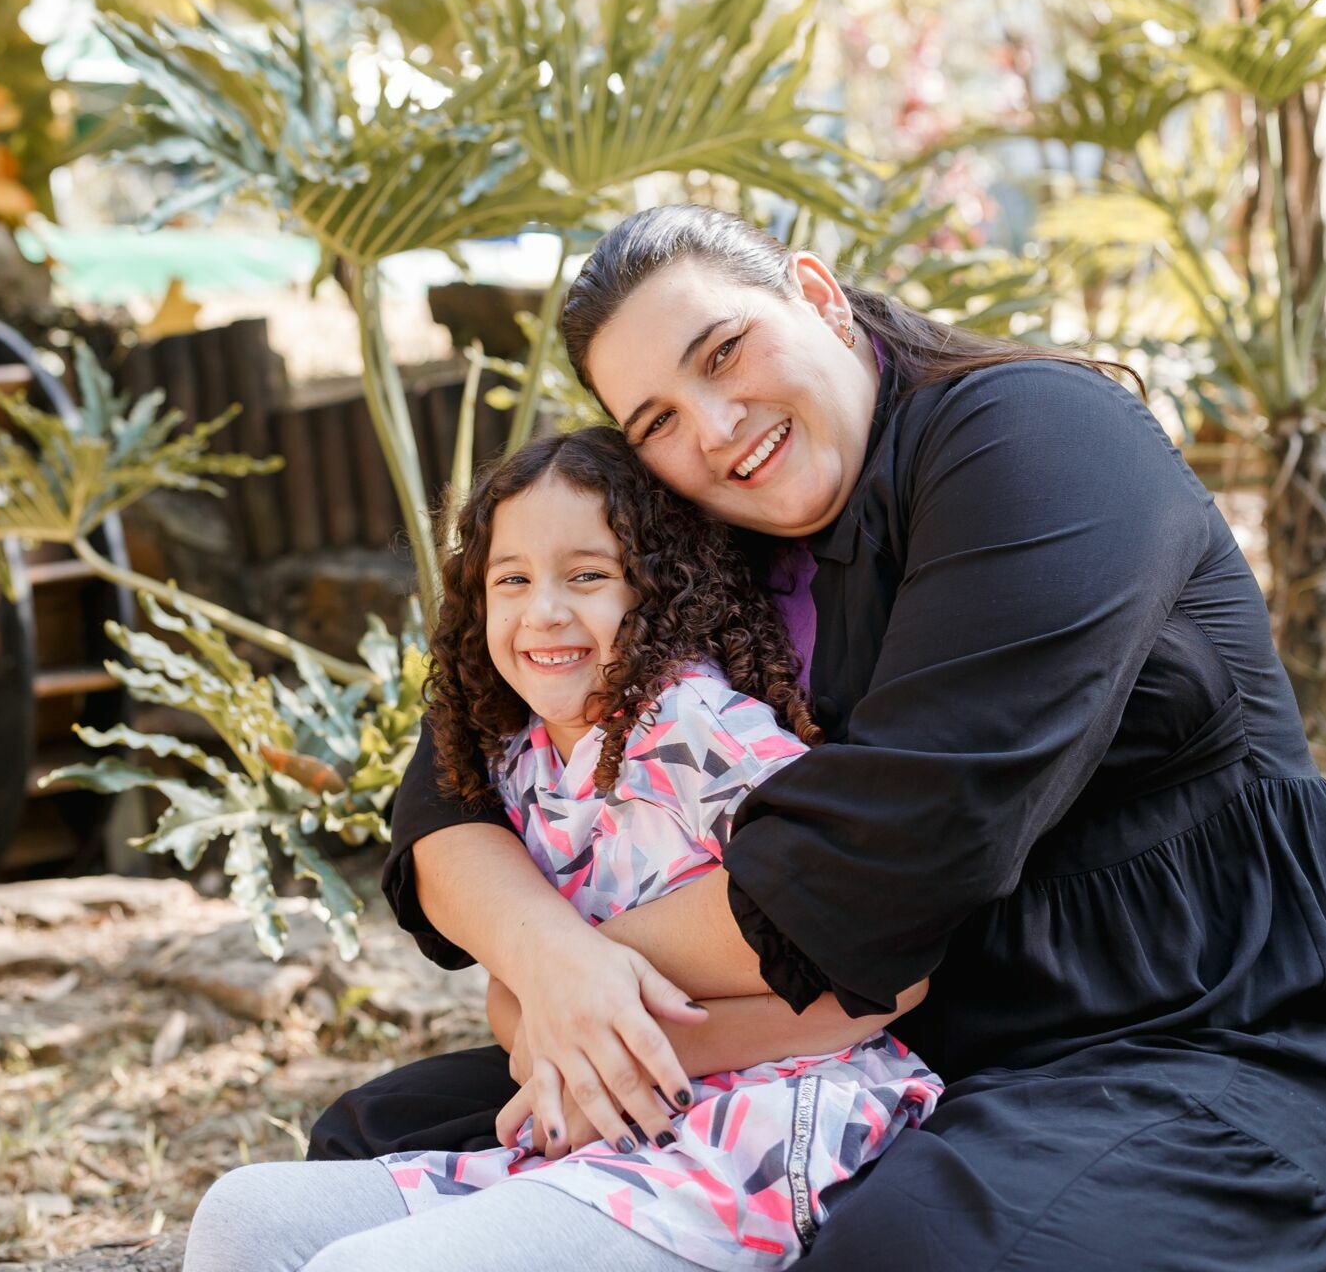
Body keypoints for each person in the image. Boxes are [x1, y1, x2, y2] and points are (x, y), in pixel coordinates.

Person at [310, 204, 1326, 1268]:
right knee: (385, 1135)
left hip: (1217, 1028)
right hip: (872, 1039)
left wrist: (567, 990)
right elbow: (453, 782)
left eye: (725, 352)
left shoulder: (1038, 436)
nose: (715, 426)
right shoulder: (700, 527)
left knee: (908, 1247)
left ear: (819, 296)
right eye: (656, 421)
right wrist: (547, 963)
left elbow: (883, 863)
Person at [184, 429, 941, 1271]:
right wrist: (571, 1044)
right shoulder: (522, 760)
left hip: (760, 1130)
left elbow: (883, 982)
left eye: (587, 576)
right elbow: (510, 1000)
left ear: (659, 591)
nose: (544, 610)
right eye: (512, 580)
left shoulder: (699, 730)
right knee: (242, 1216)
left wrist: (623, 1063)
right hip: (603, 1124)